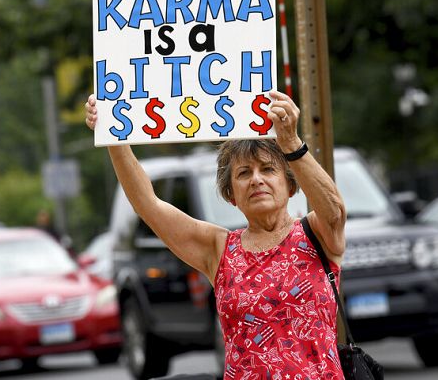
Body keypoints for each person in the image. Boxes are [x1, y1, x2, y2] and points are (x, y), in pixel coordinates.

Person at [85, 89, 346, 379]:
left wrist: (291, 143)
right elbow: (148, 205)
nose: (256, 179)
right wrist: (114, 137)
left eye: (268, 169)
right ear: (231, 194)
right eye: (244, 173)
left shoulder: (316, 233)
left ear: (290, 185)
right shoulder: (220, 249)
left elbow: (334, 209)